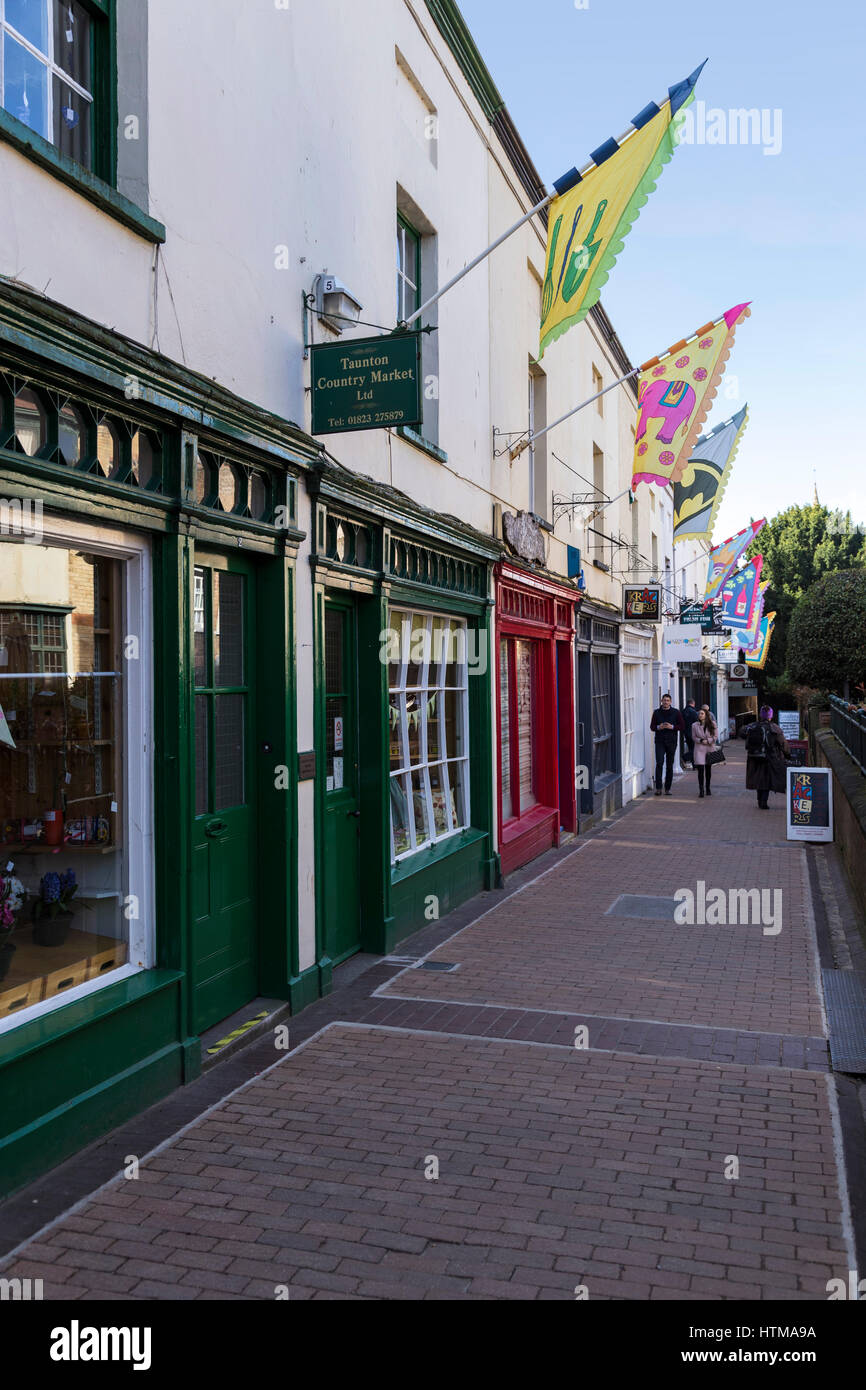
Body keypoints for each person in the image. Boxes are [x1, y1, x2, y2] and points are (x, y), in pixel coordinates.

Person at [745, 704, 789, 808]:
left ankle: (760, 800)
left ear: (760, 715)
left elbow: (743, 732)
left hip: (754, 757)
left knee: (758, 779)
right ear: (771, 716)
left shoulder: (753, 726)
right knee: (766, 780)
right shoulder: (775, 729)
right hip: (769, 758)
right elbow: (783, 744)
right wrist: (788, 754)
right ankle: (763, 802)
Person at [650, 693, 685, 797]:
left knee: (669, 765)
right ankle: (659, 788)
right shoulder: (656, 712)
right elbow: (652, 727)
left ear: (670, 702)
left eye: (668, 700)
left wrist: (672, 727)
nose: (666, 702)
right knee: (659, 763)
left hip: (671, 741)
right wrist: (658, 727)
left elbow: (682, 726)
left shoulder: (676, 712)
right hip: (660, 741)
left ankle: (668, 788)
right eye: (664, 700)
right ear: (661, 701)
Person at [691, 708, 718, 797]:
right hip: (699, 749)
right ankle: (701, 790)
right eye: (699, 714)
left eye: (702, 713)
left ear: (706, 715)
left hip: (709, 749)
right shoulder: (694, 725)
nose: (700, 715)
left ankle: (708, 788)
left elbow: (715, 736)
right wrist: (701, 740)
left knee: (708, 770)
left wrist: (709, 740)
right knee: (700, 771)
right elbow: (694, 737)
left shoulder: (712, 724)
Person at [681, 699, 700, 768]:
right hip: (693, 733)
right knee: (696, 749)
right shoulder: (694, 712)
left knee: (691, 748)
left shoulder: (683, 711)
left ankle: (694, 765)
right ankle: (684, 757)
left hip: (686, 733)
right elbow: (697, 723)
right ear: (693, 703)